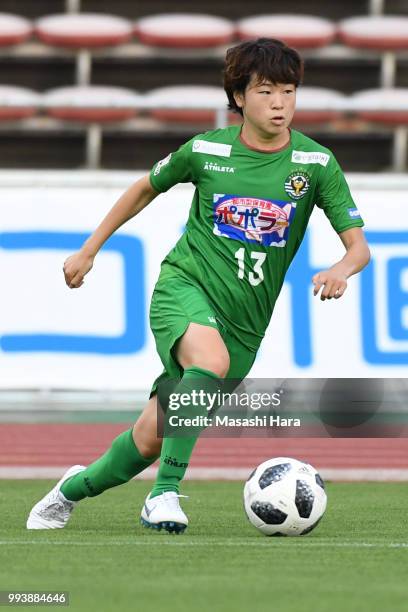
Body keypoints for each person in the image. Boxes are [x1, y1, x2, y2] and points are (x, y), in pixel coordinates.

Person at [26, 38, 370, 533]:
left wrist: (342, 268)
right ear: (238, 97)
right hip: (184, 288)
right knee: (209, 362)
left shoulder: (315, 165)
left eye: (289, 92)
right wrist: (89, 249)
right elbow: (145, 187)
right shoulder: (206, 150)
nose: (279, 103)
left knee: (149, 438)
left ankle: (67, 492)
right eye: (266, 91)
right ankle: (164, 494)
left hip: (245, 324)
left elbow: (359, 247)